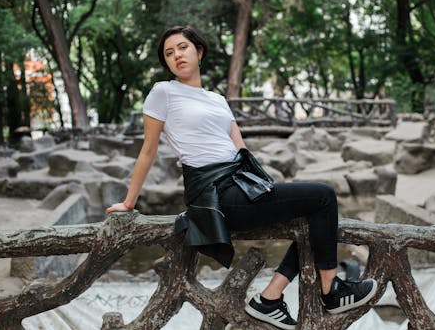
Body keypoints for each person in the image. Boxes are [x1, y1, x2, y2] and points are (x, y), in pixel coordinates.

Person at [106, 25, 378, 330]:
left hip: (239, 185)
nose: (176, 55)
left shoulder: (218, 100)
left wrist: (268, 189)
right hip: (213, 195)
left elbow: (241, 150)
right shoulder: (163, 92)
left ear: (199, 52)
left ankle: (270, 297)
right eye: (169, 53)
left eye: (182, 47)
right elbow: (148, 150)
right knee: (323, 197)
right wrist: (129, 202)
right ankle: (332, 290)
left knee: (311, 216)